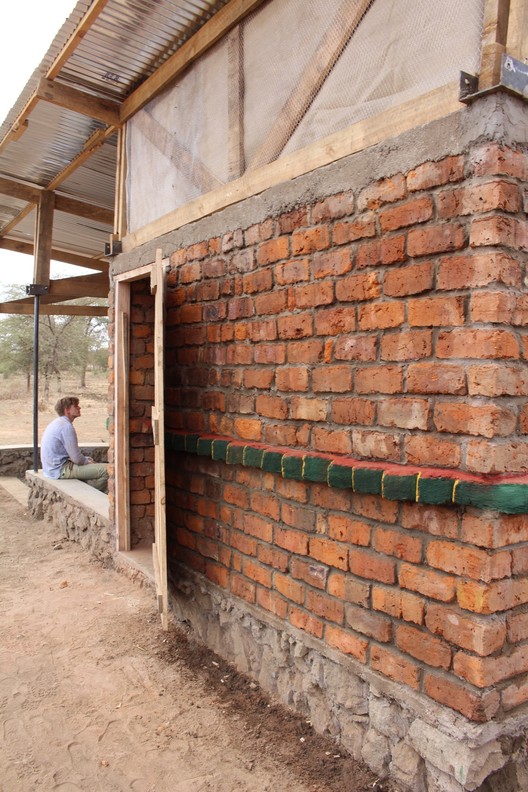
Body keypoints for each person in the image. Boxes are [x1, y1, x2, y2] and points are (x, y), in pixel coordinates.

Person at [40, 396, 108, 493]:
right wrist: (87, 461)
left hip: (52, 469)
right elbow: (77, 459)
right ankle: (91, 495)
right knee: (108, 470)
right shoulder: (66, 426)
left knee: (90, 465)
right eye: (76, 406)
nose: (79, 408)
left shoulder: (58, 423)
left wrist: (86, 460)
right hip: (60, 470)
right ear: (67, 410)